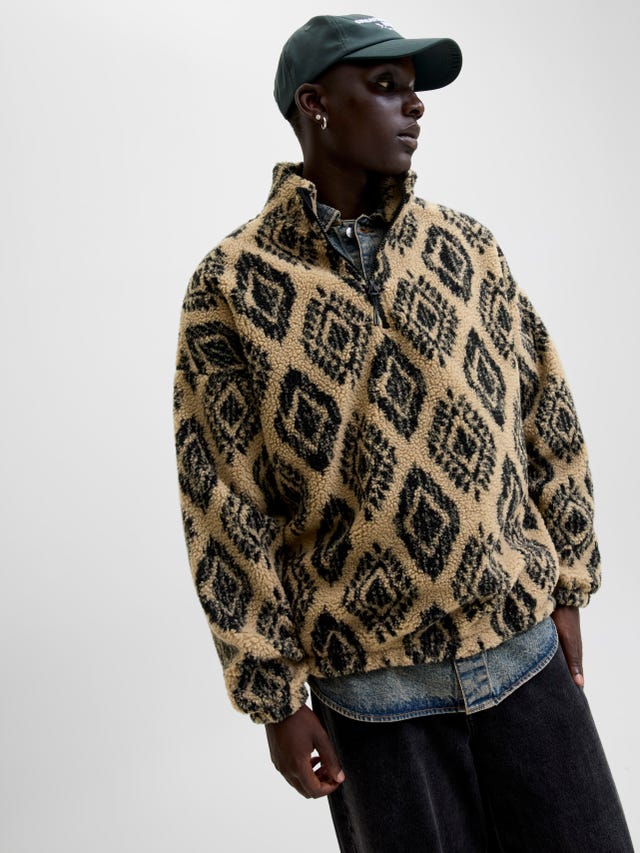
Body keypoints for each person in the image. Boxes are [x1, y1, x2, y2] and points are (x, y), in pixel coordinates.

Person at [173, 14, 634, 852]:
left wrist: (568, 582)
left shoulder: (467, 248)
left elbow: (547, 413)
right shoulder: (232, 286)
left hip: (523, 655)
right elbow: (223, 503)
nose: (413, 106)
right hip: (373, 697)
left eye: (414, 90)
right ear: (315, 103)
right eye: (385, 87)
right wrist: (276, 700)